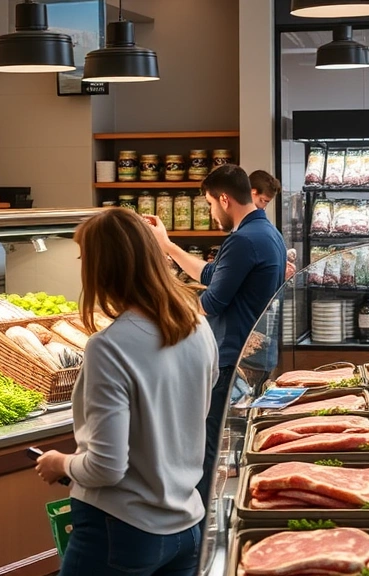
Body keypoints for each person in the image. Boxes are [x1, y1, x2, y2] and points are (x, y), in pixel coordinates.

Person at [35, 209, 218, 576]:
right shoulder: (198, 326)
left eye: (84, 258)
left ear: (103, 268)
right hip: (187, 527)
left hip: (120, 530)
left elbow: (106, 467)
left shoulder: (109, 346)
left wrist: (59, 463)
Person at [145, 164, 286, 510]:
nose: (210, 212)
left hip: (233, 357)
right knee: (232, 441)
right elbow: (212, 274)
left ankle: (201, 521)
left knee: (210, 441)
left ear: (224, 199)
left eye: (209, 204)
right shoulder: (265, 233)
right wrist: (168, 246)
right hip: (254, 354)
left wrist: (153, 304)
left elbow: (211, 301)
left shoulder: (242, 240)